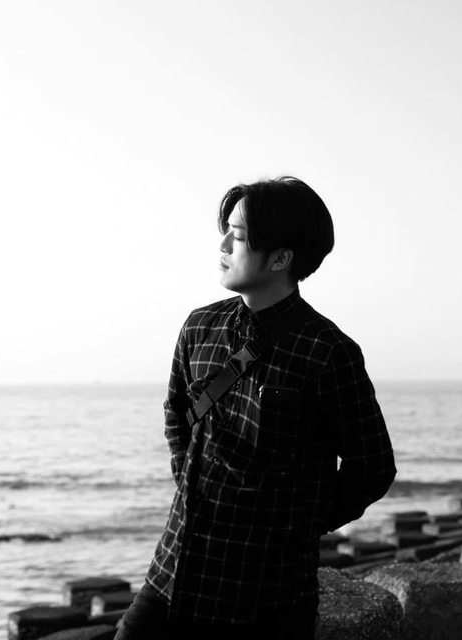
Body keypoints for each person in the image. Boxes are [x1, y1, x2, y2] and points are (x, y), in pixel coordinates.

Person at [115, 176, 396, 640]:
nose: (223, 244)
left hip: (265, 598)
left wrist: (294, 526)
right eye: (226, 230)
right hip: (172, 575)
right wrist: (188, 482)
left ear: (281, 258)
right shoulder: (200, 326)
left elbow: (372, 467)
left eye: (239, 235)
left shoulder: (327, 351)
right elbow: (176, 412)